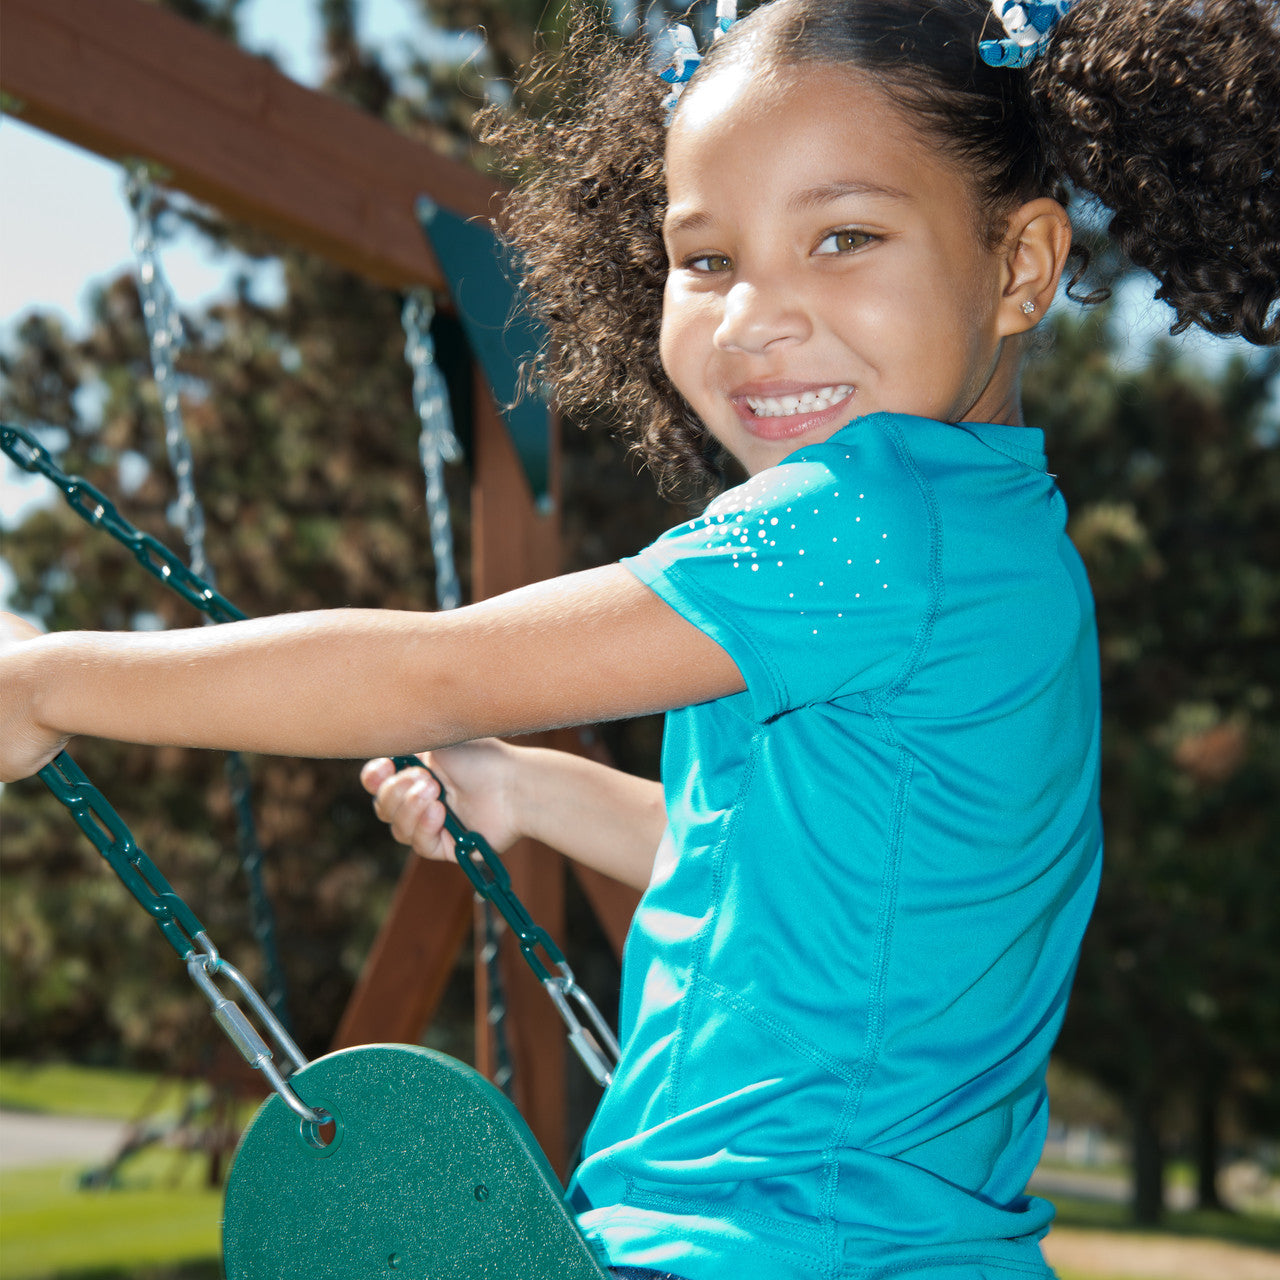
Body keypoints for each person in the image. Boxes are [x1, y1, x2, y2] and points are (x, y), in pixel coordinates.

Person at [2, 0, 1275, 1275]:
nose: (750, 316)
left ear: (1020, 267)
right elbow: (782, 883)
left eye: (842, 237)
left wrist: (49, 680)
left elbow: (433, 669)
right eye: (706, 259)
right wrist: (529, 784)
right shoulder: (985, 542)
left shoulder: (875, 520)